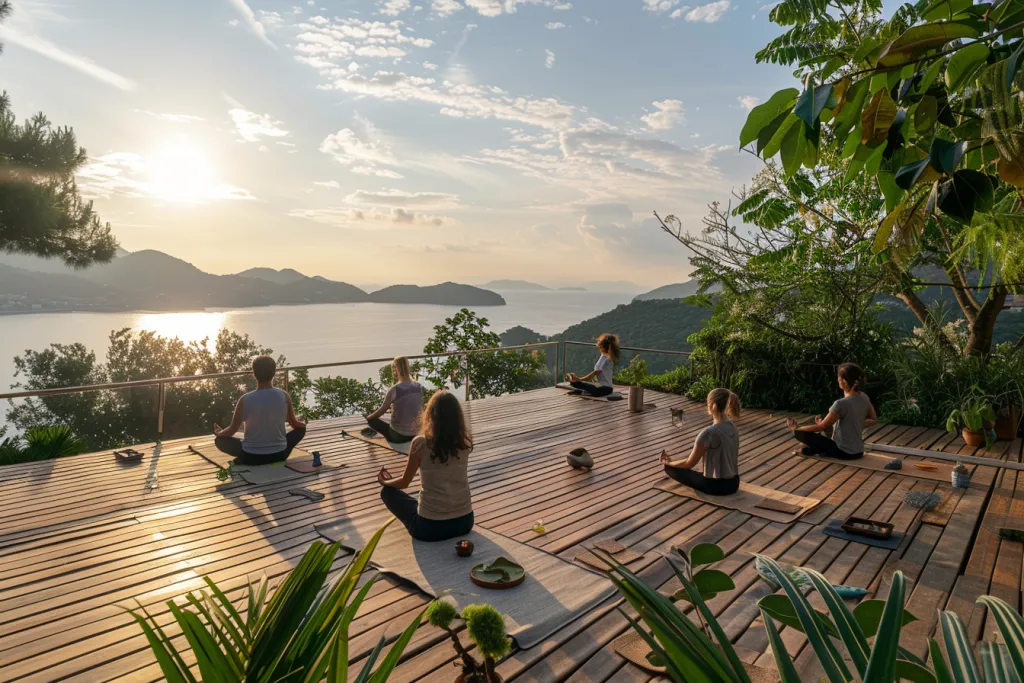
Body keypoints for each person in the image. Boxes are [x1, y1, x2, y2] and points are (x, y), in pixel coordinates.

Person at [377, 390, 474, 542]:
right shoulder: (464, 442)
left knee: (388, 493)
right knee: (421, 500)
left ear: (430, 415)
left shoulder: (421, 443)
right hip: (465, 522)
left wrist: (386, 482)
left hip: (430, 528)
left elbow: (404, 483)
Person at [213, 355, 307, 466]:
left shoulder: (245, 399)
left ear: (254, 373)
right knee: (300, 430)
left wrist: (219, 433)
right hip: (279, 455)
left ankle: (242, 459)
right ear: (274, 373)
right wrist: (303, 423)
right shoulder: (284, 395)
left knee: (219, 441)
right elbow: (294, 424)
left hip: (251, 457)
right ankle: (275, 454)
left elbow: (232, 430)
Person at [786, 362, 877, 461]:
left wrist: (796, 428)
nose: (838, 379)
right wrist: (855, 422)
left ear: (844, 381)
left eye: (839, 377)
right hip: (859, 451)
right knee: (827, 425)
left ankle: (810, 450)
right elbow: (873, 419)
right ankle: (811, 450)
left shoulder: (840, 404)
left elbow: (821, 427)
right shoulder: (864, 397)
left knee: (799, 433)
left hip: (843, 453)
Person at [659, 388, 742, 496]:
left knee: (670, 468)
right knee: (697, 471)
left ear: (713, 406)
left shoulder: (707, 433)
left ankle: (668, 465)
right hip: (734, 483)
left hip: (716, 487)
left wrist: (668, 463)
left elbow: (689, 464)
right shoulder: (733, 427)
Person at [363, 356, 424, 444]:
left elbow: (382, 411)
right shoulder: (418, 386)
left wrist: (368, 418)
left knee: (372, 421)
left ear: (395, 369)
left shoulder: (395, 389)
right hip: (416, 434)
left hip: (399, 435)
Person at [565, 333, 620, 397]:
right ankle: (582, 391)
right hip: (601, 387)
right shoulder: (604, 357)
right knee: (575, 383)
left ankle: (582, 391)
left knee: (575, 383)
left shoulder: (607, 360)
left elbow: (593, 374)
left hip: (605, 389)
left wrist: (579, 379)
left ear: (602, 347)